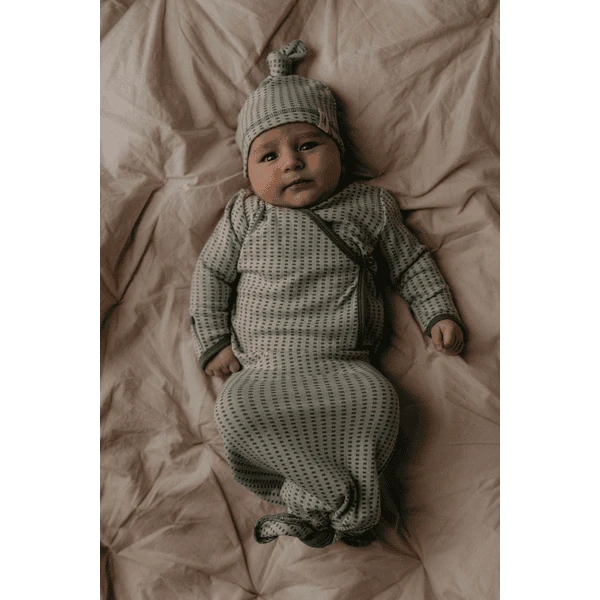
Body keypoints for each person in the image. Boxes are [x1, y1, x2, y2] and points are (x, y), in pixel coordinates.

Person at [190, 40, 466, 547]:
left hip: (344, 366)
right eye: (269, 155)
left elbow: (411, 263)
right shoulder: (245, 215)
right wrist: (213, 340)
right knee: (234, 412)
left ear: (339, 148)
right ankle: (343, 504)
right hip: (266, 370)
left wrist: (437, 313)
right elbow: (210, 275)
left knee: (380, 404)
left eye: (308, 146)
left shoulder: (367, 207)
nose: (291, 163)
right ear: (248, 172)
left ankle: (318, 505)